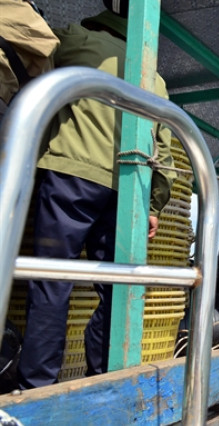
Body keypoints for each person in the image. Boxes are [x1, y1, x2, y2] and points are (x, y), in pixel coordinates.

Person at [17, 0, 176, 390]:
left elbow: (36, 80)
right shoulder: (153, 78)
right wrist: (154, 206)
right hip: (128, 189)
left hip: (72, 174)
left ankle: (38, 387)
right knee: (117, 288)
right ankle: (106, 376)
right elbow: (166, 149)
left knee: (51, 283)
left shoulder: (76, 38)